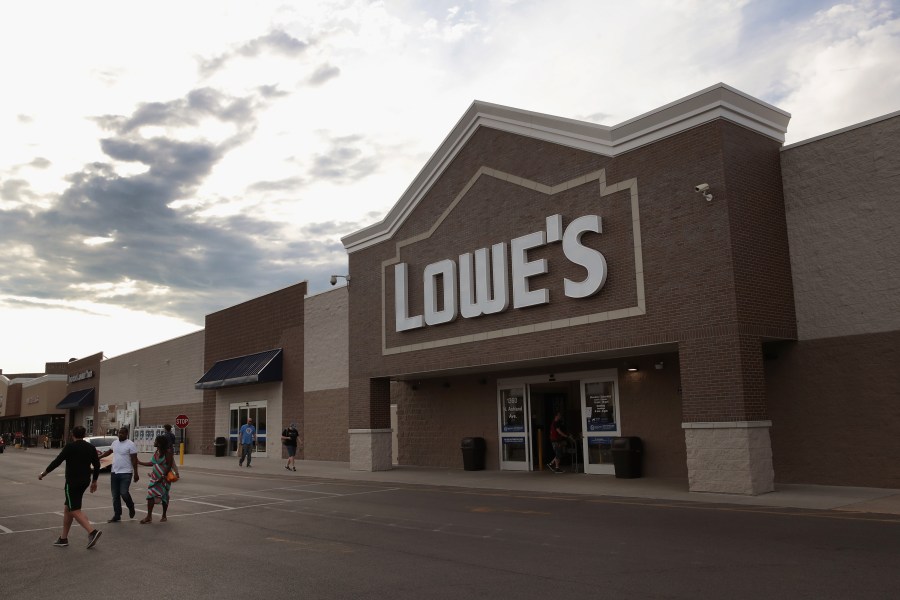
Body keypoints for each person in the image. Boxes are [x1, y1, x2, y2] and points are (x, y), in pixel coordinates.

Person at [38, 425, 103, 549]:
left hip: (72, 482)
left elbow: (57, 461)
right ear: (84, 435)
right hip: (85, 481)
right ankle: (63, 538)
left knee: (74, 509)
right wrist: (94, 481)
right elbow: (97, 465)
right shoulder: (90, 447)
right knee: (68, 508)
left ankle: (92, 532)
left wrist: (44, 473)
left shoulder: (70, 447)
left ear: (73, 434)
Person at [98, 426, 140, 522]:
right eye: (119, 433)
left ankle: (131, 506)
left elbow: (134, 460)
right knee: (115, 495)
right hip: (115, 472)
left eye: (122, 433)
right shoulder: (115, 443)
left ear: (126, 434)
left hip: (126, 473)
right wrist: (100, 457)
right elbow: (109, 451)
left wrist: (136, 474)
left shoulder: (131, 444)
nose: (120, 435)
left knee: (124, 493)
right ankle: (117, 515)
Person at [137, 435, 176, 524]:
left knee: (164, 496)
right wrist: (140, 462)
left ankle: (164, 515)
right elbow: (152, 463)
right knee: (150, 495)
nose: (154, 442)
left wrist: (162, 476)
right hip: (154, 478)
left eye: (155, 441)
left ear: (160, 443)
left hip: (164, 479)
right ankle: (149, 516)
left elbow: (169, 466)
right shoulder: (156, 452)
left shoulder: (168, 453)